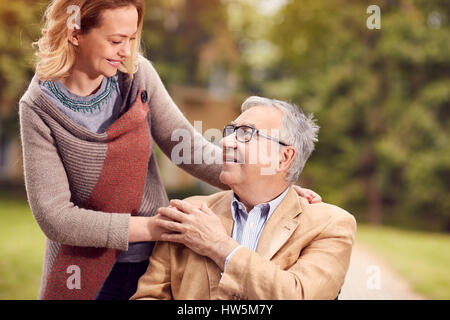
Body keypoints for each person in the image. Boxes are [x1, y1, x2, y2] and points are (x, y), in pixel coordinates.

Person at [18, 0, 320, 300]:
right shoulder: (38, 108)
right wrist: (154, 227)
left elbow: (187, 149)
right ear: (75, 33)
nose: (126, 51)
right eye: (115, 41)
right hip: (83, 273)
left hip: (151, 266)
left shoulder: (136, 76)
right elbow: (56, 217)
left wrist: (273, 187)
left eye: (132, 39)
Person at [131, 96, 357, 300]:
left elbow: (299, 295)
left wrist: (220, 246)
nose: (225, 142)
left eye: (246, 134)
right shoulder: (190, 212)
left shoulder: (330, 225)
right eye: (230, 132)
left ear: (283, 157)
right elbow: (149, 295)